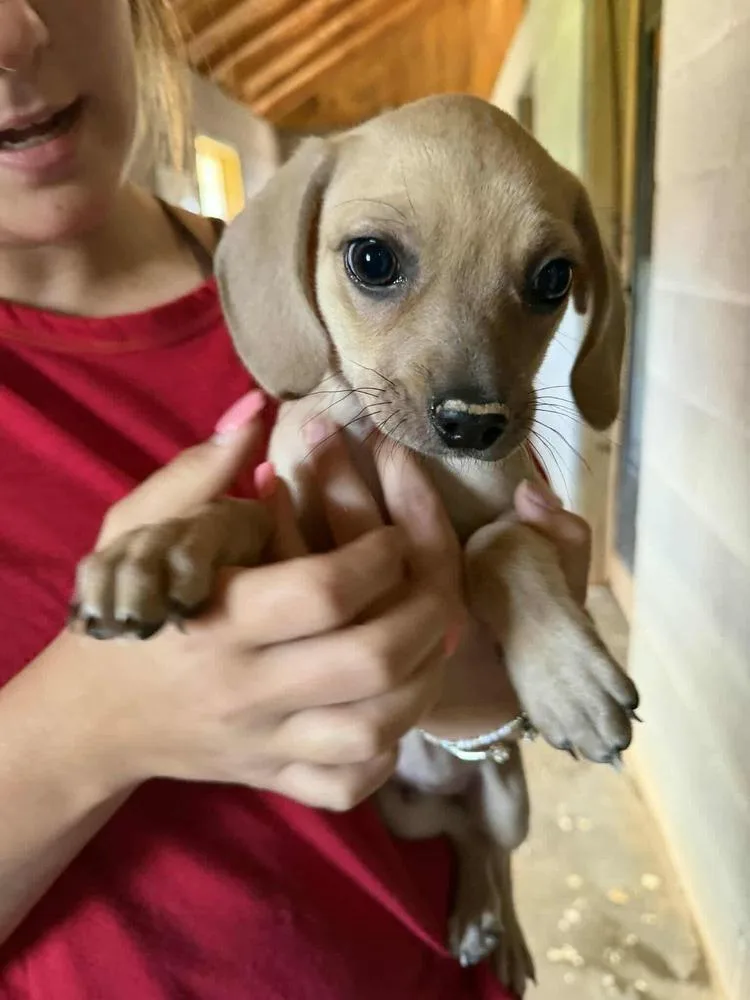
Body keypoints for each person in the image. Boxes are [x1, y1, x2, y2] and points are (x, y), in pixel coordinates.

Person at [0, 2, 593, 998]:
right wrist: (94, 723)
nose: (13, 34)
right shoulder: (314, 254)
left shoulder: (299, 270)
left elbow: (481, 679)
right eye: (377, 265)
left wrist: (480, 693)